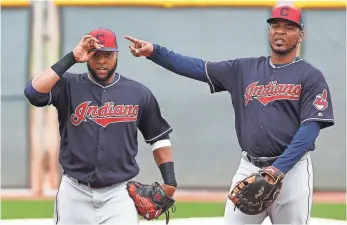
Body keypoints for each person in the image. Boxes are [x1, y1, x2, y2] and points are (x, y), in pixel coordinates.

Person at [124, 5, 335, 225]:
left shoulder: (310, 76)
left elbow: (310, 129)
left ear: (301, 35)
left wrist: (278, 169)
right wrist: (155, 52)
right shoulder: (244, 69)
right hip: (250, 167)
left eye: (288, 27)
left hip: (291, 171)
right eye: (275, 26)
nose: (280, 31)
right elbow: (198, 68)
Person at [24, 28, 177, 225]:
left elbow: (159, 137)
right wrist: (71, 57)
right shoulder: (68, 85)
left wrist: (170, 180)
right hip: (74, 193)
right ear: (87, 55)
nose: (102, 60)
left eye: (108, 54)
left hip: (119, 195)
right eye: (96, 54)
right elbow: (33, 92)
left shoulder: (138, 93)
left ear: (117, 55)